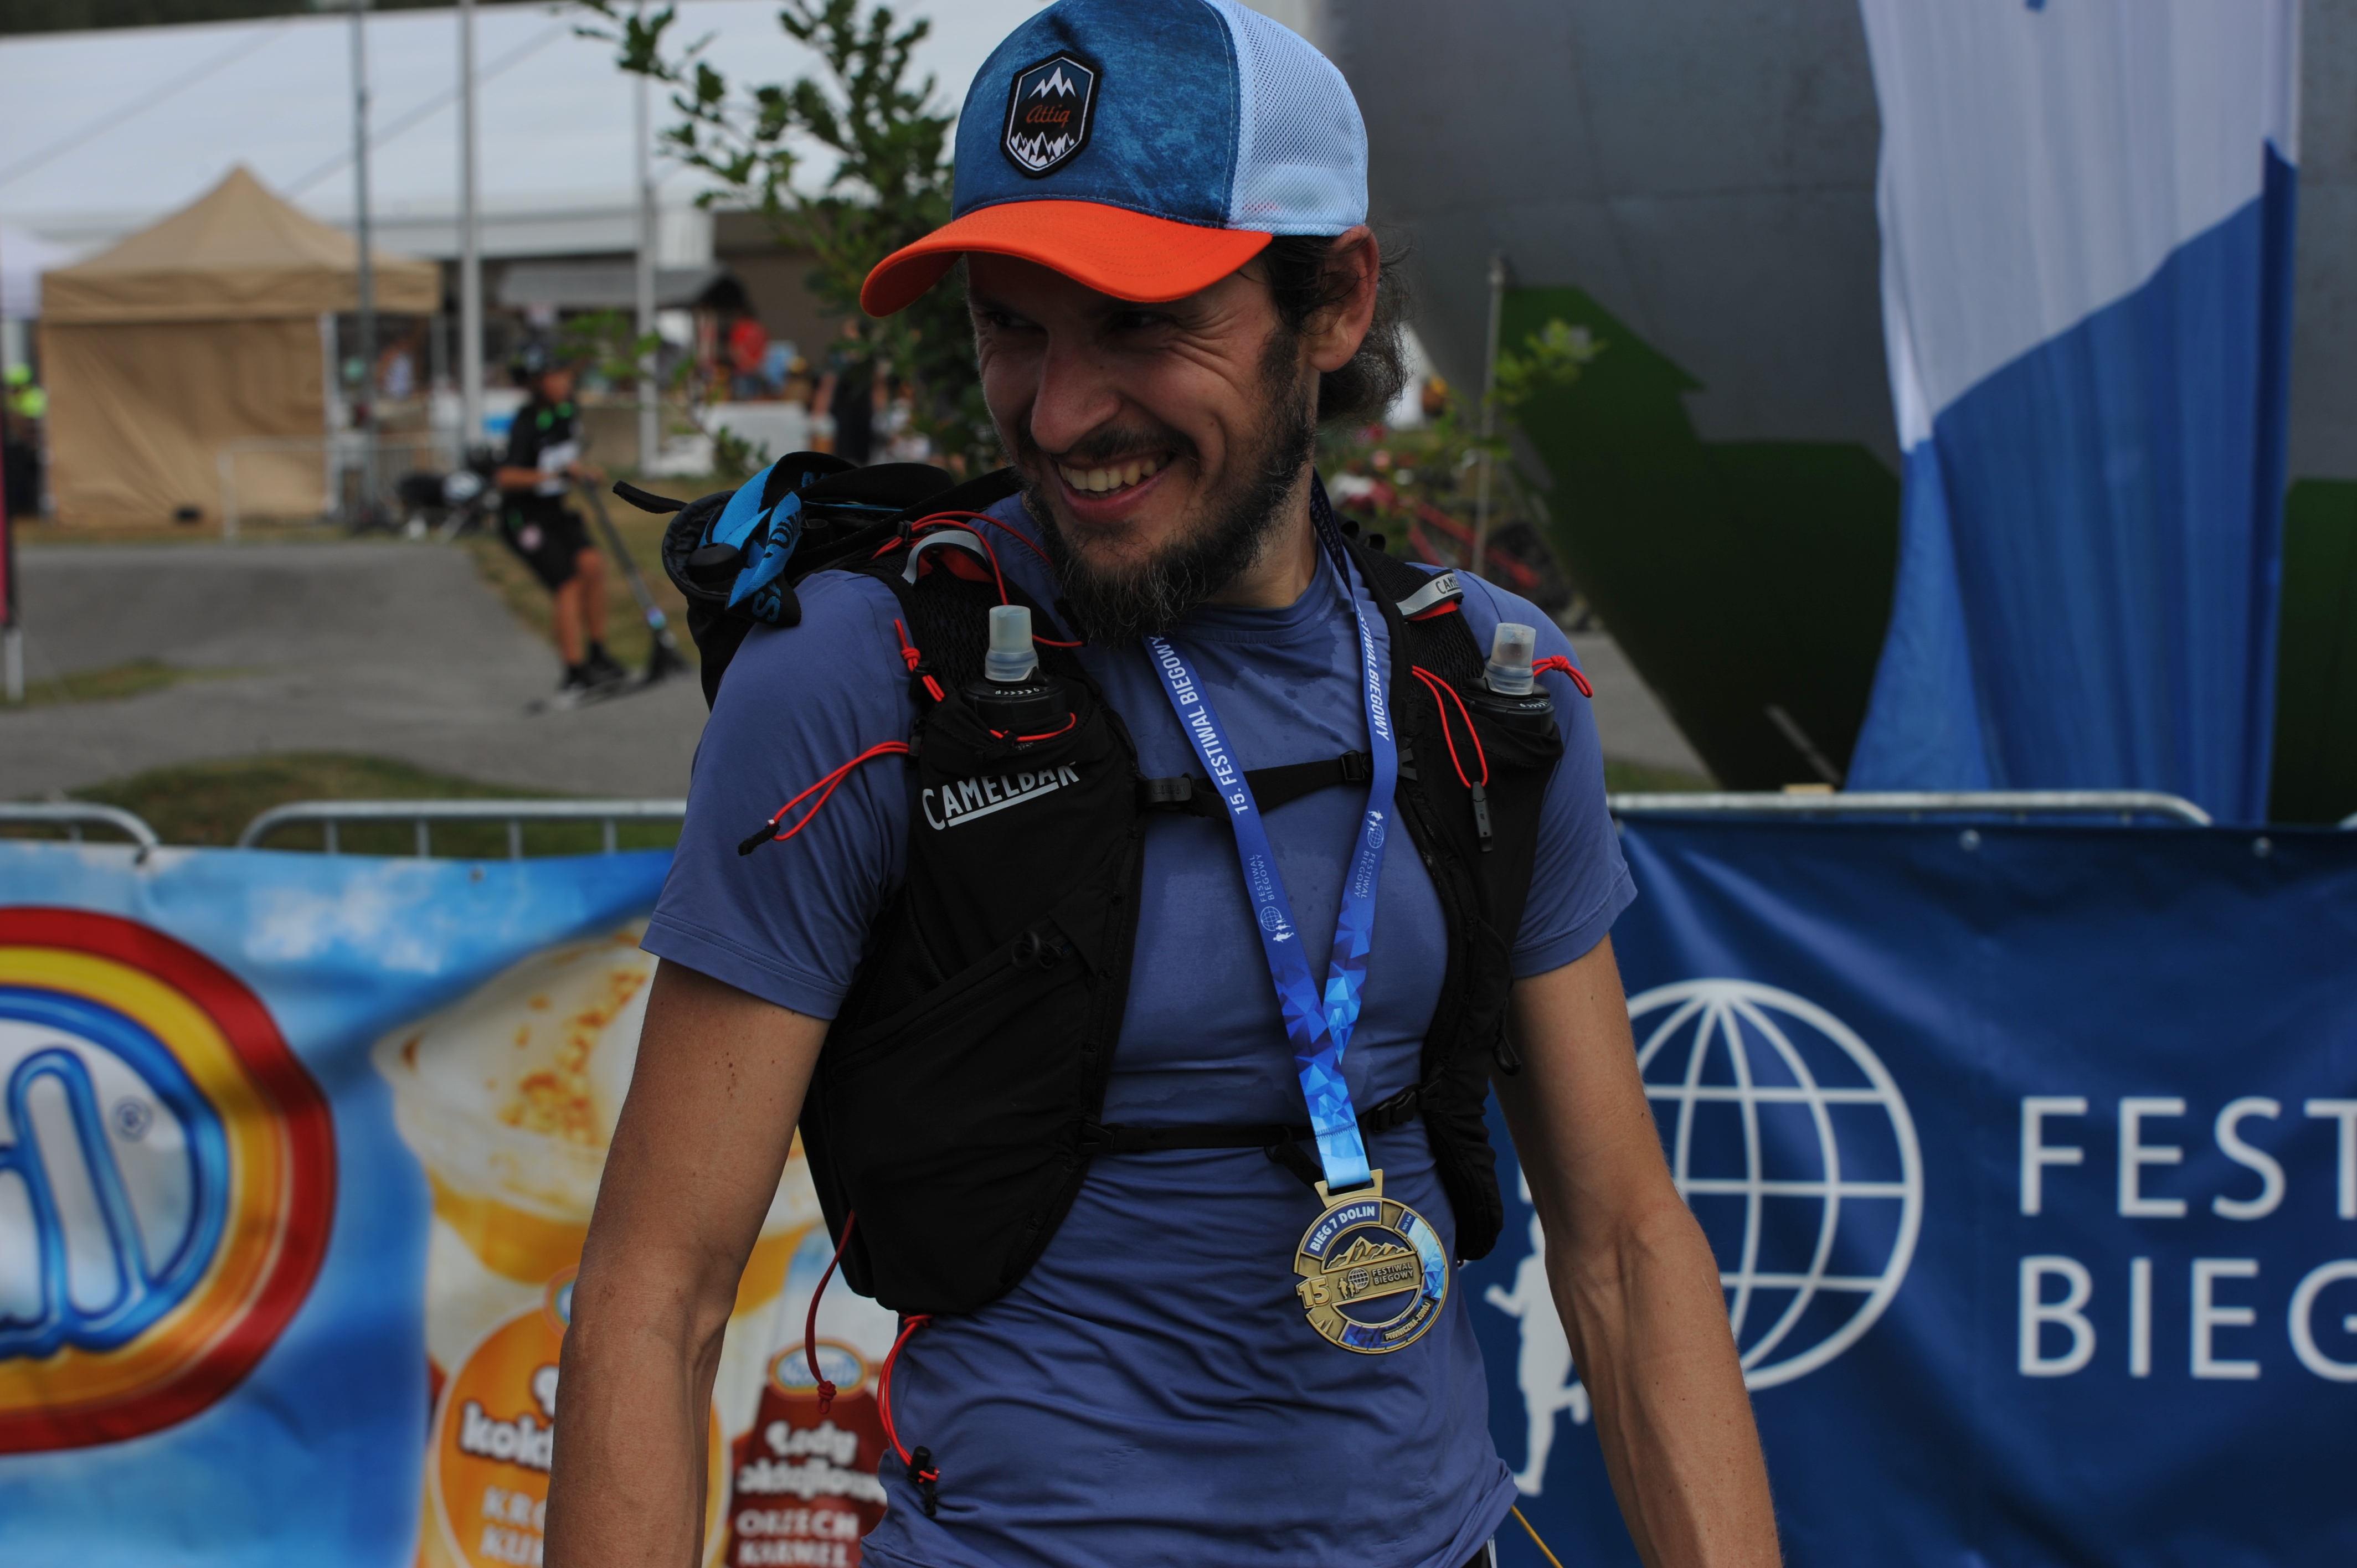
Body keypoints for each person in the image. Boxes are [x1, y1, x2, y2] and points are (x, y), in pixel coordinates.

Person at [547, 5, 1778, 1568]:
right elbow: (655, 1298)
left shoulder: (1487, 682)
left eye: (1139, 322)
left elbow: (1624, 1248)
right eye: (1012, 326)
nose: (1060, 414)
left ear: (1335, 301)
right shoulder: (862, 676)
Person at [493, 346, 623, 701]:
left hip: (554, 511)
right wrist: (555, 476)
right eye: (557, 376)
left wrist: (585, 472)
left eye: (567, 375)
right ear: (537, 382)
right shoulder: (526, 421)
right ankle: (574, 673)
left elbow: (569, 458)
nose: (565, 382)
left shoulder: (567, 411)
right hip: (523, 518)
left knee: (592, 565)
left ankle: (599, 656)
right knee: (567, 583)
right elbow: (505, 477)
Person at [810, 316, 879, 464]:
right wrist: (819, 414)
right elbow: (827, 384)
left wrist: (880, 412)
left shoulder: (872, 355)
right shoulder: (837, 355)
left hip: (864, 410)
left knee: (865, 453)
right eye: (850, 330)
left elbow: (878, 386)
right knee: (843, 451)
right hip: (843, 410)